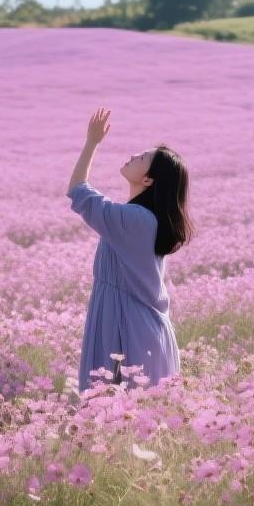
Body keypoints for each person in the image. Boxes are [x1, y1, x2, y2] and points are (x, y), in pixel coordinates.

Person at [66, 107, 195, 395]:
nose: (135, 156)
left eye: (143, 158)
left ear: (149, 180)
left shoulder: (135, 220)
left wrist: (91, 143)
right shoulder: (144, 219)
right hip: (140, 326)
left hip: (127, 327)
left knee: (112, 416)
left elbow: (78, 191)